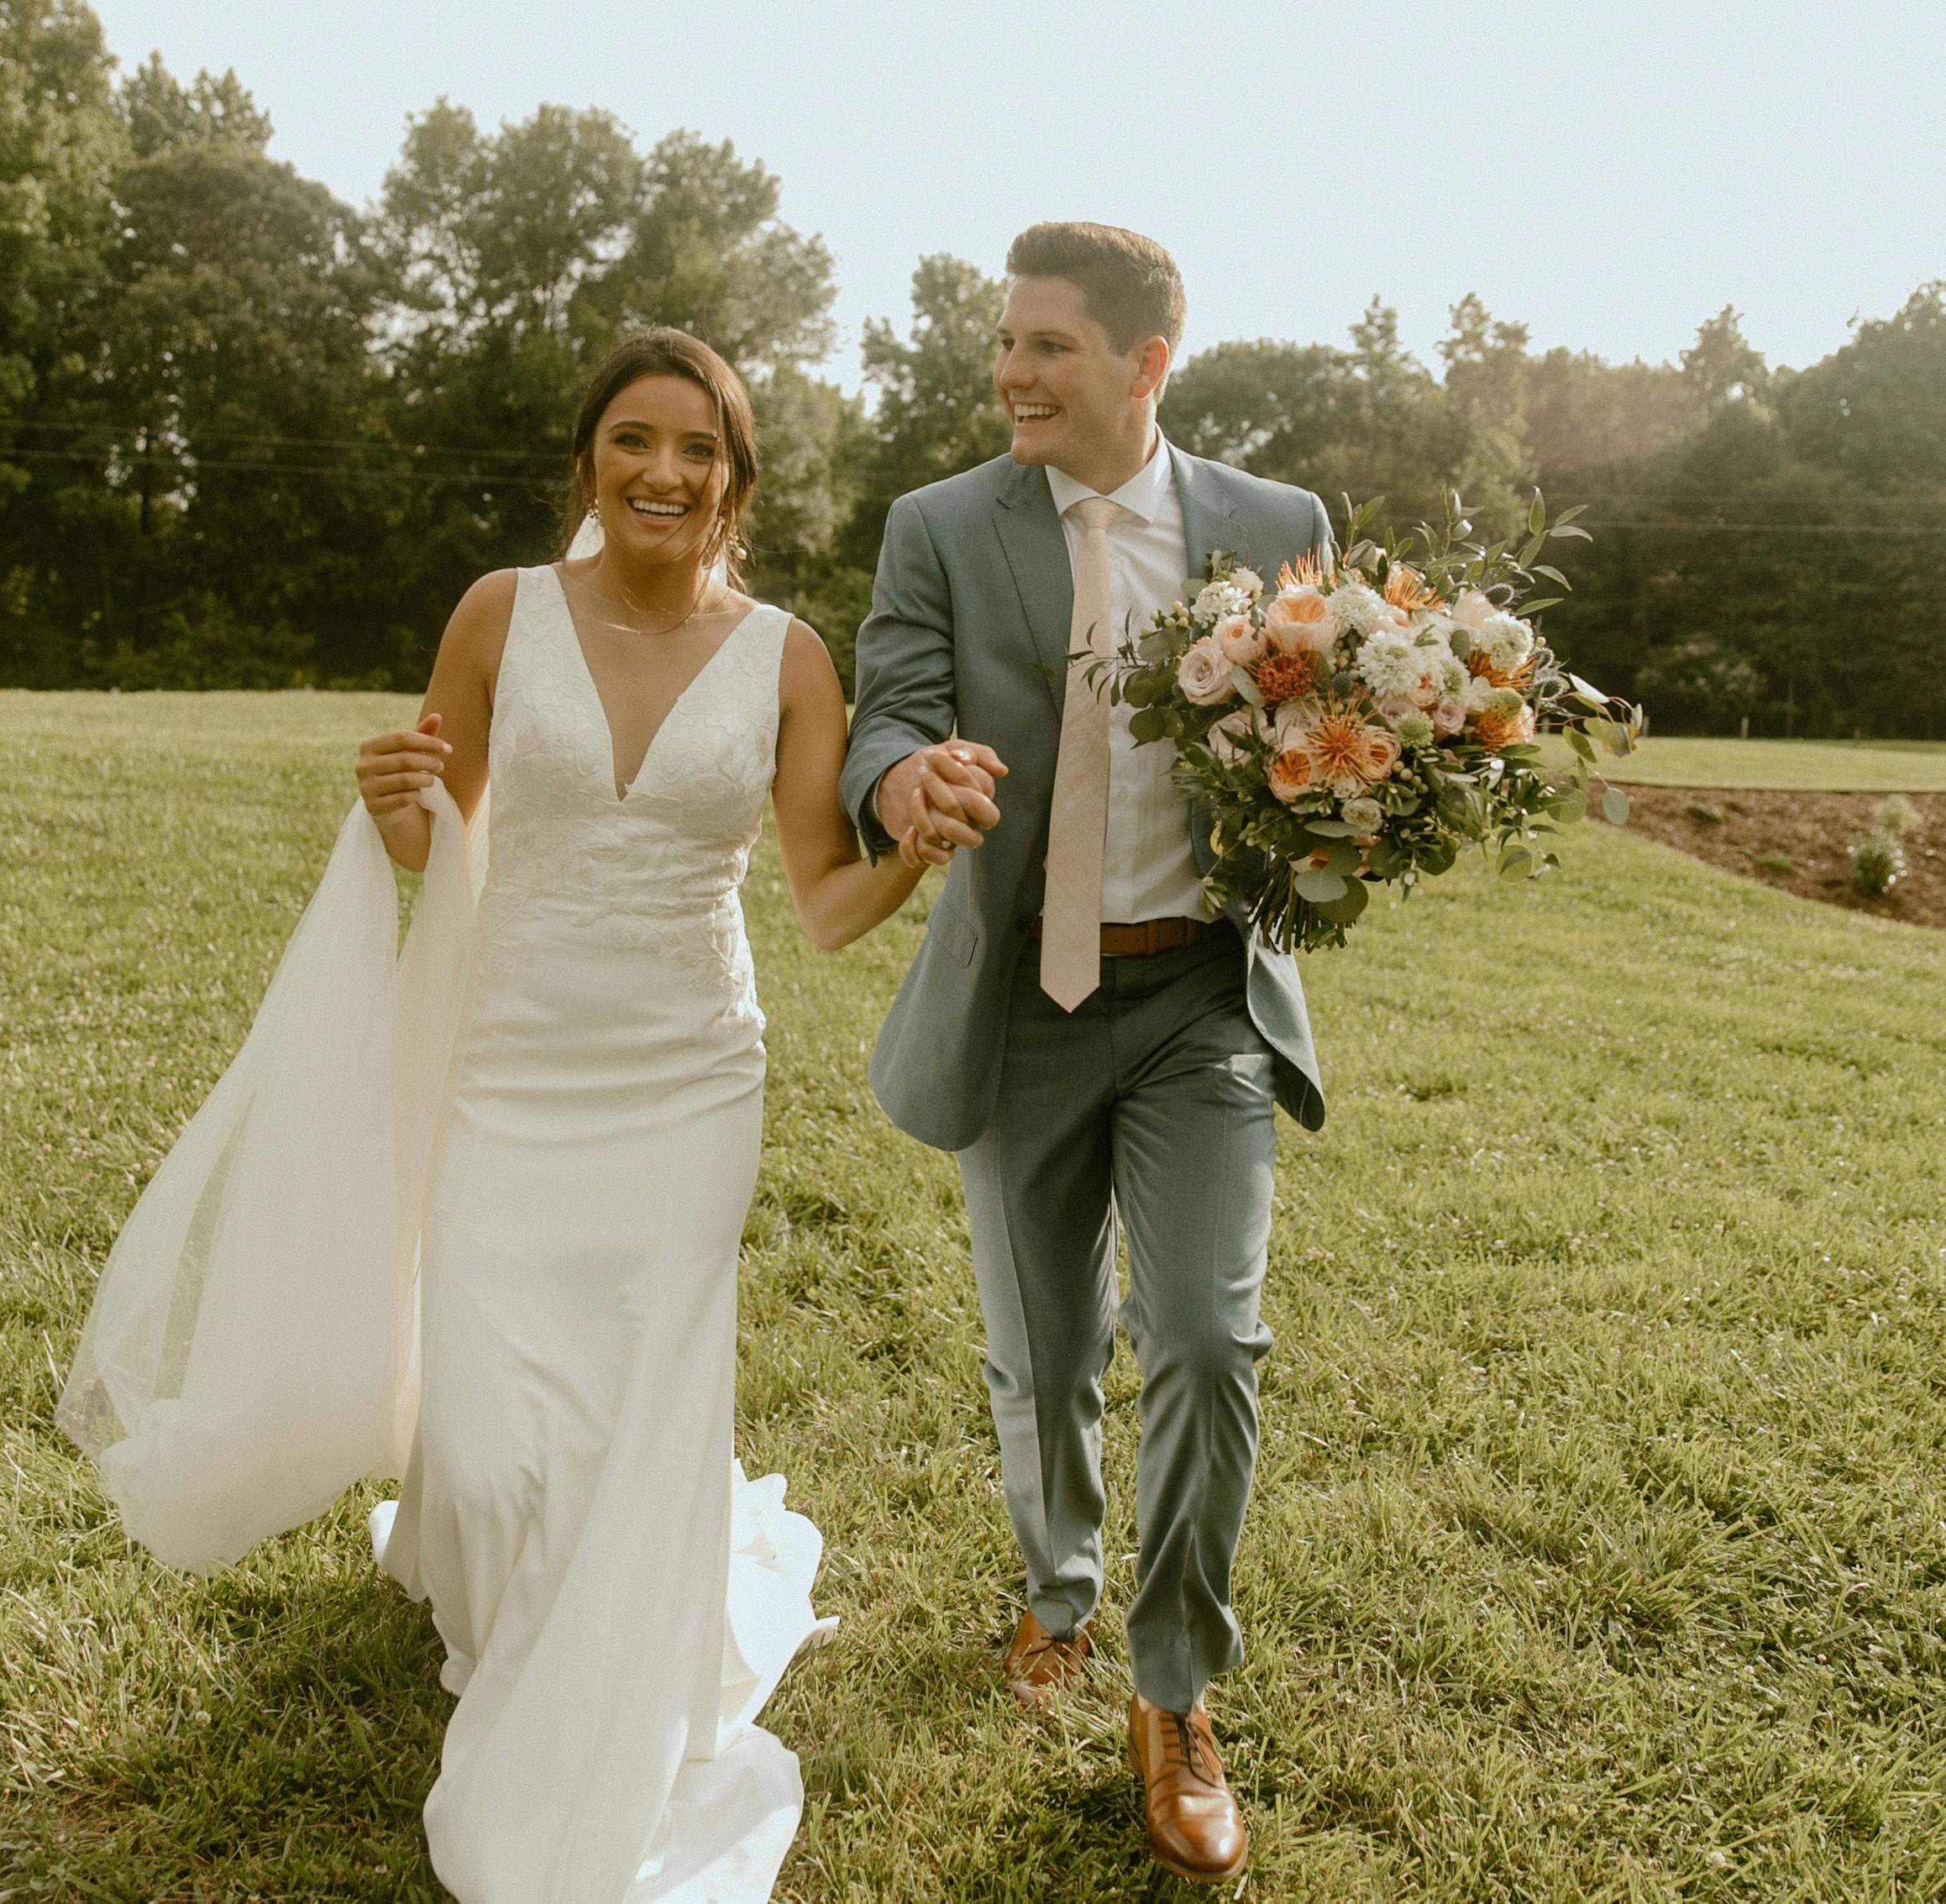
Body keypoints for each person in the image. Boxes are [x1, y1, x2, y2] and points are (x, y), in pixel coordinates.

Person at [59, 328, 923, 1901]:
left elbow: (826, 903)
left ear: (736, 479)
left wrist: (920, 840)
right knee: (491, 1427)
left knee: (647, 1394)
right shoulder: (498, 614)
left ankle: (605, 1684)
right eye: (634, 442)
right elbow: (435, 848)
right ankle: (511, 1583)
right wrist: (398, 811)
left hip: (685, 1081)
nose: (664, 473)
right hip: (508, 1062)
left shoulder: (789, 653)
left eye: (699, 450)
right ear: (589, 459)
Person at [838, 223, 1330, 1886]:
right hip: (1018, 1006)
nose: (1010, 373)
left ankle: (1173, 1692)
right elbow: (884, 711)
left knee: (1203, 1335)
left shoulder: (1274, 530)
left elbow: (1321, 734)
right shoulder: (938, 527)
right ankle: (1056, 1595)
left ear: (1143, 364)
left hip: (1197, 1005)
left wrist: (1365, 796)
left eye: (1048, 344)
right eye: (1004, 343)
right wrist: (901, 785)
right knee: (1041, 1360)